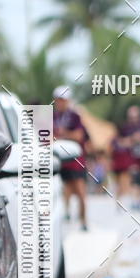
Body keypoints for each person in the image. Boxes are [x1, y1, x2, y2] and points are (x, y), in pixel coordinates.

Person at [52, 86, 89, 230]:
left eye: (63, 100)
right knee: (64, 191)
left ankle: (84, 221)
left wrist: (63, 135)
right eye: (58, 100)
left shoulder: (74, 116)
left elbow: (79, 135)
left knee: (80, 192)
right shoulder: (52, 116)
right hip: (59, 161)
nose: (60, 103)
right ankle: (65, 217)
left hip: (75, 160)